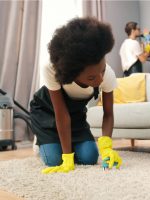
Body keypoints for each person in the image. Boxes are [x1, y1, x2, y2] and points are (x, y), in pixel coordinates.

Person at [30, 17, 122, 174]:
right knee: (54, 160)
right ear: (72, 74)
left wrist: (106, 147)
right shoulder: (52, 69)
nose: (100, 79)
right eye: (92, 78)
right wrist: (67, 157)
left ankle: (65, 142)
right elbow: (61, 115)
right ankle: (42, 141)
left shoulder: (107, 74)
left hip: (75, 115)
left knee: (89, 157)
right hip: (48, 113)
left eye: (102, 70)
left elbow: (108, 114)